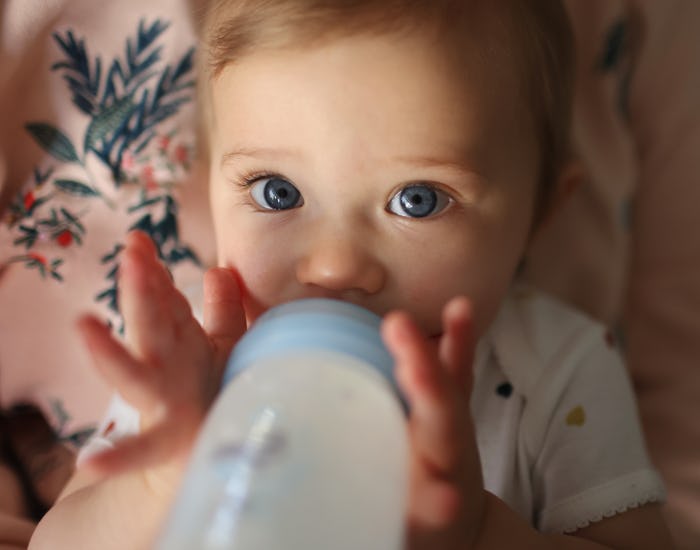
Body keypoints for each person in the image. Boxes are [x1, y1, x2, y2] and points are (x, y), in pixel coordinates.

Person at [28, 1, 674, 548]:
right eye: (277, 192)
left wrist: (478, 531)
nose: (334, 266)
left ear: (539, 215)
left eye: (417, 200)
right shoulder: (189, 362)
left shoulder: (557, 371)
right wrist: (159, 483)